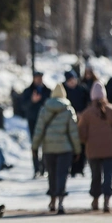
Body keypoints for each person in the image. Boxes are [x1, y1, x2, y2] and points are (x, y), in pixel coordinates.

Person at [32, 83, 81, 215]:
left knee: (52, 174)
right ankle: (60, 202)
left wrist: (35, 147)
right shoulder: (68, 110)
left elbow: (39, 130)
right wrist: (77, 150)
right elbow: (73, 132)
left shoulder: (44, 109)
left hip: (48, 148)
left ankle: (52, 200)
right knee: (62, 175)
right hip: (65, 149)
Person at [78, 82, 112, 213]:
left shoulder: (87, 113)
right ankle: (107, 200)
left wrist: (86, 142)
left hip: (93, 150)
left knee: (96, 175)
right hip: (110, 149)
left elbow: (81, 132)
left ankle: (95, 199)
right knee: (109, 175)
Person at [21, 71, 51, 177]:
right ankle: (36, 168)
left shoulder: (47, 91)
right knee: (34, 144)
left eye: (40, 78)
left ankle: (44, 167)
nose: (39, 80)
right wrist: (32, 101)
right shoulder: (27, 91)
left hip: (45, 121)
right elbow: (23, 107)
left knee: (45, 144)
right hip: (33, 120)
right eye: (37, 78)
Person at [63, 70, 89, 177]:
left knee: (82, 144)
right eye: (70, 80)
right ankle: (72, 168)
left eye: (73, 80)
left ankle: (81, 167)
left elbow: (88, 103)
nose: (72, 82)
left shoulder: (82, 89)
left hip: (82, 120)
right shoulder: (64, 91)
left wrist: (82, 114)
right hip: (68, 122)